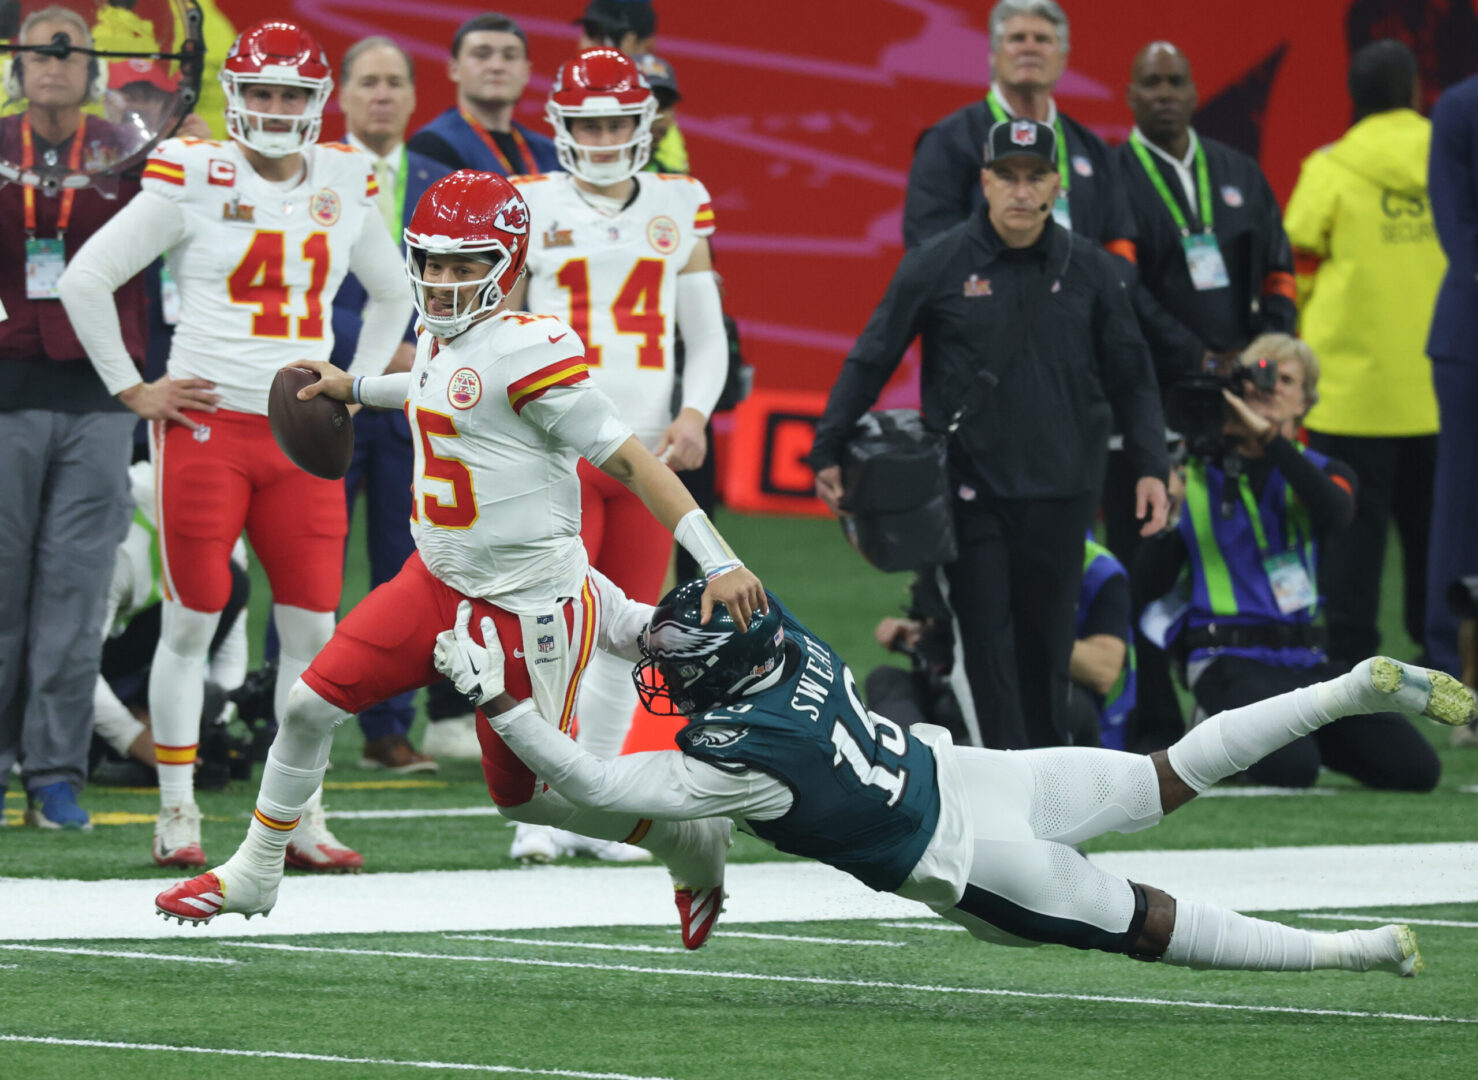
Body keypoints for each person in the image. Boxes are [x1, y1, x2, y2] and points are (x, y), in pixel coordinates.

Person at [154, 170, 766, 948]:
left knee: (533, 803)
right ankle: (257, 867)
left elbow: (634, 464)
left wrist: (717, 561)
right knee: (308, 705)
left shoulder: (530, 348)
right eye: (432, 263)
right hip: (437, 581)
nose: (443, 282)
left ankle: (687, 840)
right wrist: (358, 386)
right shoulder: (454, 344)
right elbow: (436, 387)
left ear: (507, 265)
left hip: (526, 608)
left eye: (464, 265)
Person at [432, 576, 1471, 969]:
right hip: (979, 776)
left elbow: (601, 788)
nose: (663, 675)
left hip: (974, 862)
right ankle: (1345, 690)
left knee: (1149, 924)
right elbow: (713, 608)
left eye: (679, 666)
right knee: (1163, 777)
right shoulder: (783, 635)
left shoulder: (732, 758)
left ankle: (1358, 952)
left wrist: (501, 702)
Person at [59, 19, 410, 868]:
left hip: (299, 439)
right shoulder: (195, 172)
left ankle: (301, 819)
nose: (278, 108)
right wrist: (131, 387)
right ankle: (177, 813)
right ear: (237, 97)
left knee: (313, 632)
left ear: (316, 101)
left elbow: (395, 296)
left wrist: (354, 390)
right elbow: (85, 277)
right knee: (192, 621)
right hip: (206, 426)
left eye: (293, 94)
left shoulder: (345, 175)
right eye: (262, 92)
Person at [810, 118, 1169, 751]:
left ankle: (1043, 790)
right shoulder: (939, 261)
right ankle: (1012, 787)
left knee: (1047, 648)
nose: (1021, 191)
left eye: (1035, 177)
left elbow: (1135, 379)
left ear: (1057, 185)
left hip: (1064, 494)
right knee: (985, 648)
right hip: (969, 494)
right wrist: (828, 446)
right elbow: (873, 355)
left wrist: (1150, 466)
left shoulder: (1092, 270)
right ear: (985, 181)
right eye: (1008, 176)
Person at [506, 48, 729, 861]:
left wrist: (696, 412)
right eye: (588, 121)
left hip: (644, 447)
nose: (601, 137)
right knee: (552, 627)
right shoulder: (531, 202)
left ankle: (599, 796)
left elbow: (704, 334)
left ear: (646, 123)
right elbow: (503, 332)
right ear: (562, 126)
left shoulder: (680, 200)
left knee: (629, 630)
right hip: (555, 451)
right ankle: (541, 806)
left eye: (615, 120)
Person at [1134, 335, 1441, 791]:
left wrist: (1267, 438)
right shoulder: (1193, 473)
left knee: (1415, 769)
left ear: (1307, 401)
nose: (1269, 385)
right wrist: (1169, 518)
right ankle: (1216, 723)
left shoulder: (1325, 469)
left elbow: (1335, 513)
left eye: (1286, 379)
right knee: (1293, 769)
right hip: (1227, 657)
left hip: (1308, 662)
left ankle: (1286, 741)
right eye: (1258, 373)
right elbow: (1145, 584)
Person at [1113, 40, 1298, 750]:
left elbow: (1279, 270)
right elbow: (1123, 287)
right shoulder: (1114, 175)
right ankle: (1153, 718)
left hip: (1238, 405)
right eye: (1150, 82)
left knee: (1229, 553)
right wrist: (1199, 355)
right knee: (1149, 554)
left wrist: (1264, 353)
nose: (1164, 93)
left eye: (1176, 82)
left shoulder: (1239, 172)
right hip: (1151, 399)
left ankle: (1241, 695)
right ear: (1131, 95)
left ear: (1194, 92)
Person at [0, 5, 153, 831]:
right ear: (15, 64)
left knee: (76, 596)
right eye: (37, 51)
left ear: (92, 65)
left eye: (69, 50)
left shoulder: (131, 150)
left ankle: (55, 776)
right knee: (2, 595)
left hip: (101, 397)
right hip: (3, 394)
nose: (52, 62)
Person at [1284, 39, 1443, 673]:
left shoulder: (1331, 166)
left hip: (1352, 389)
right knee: (1439, 538)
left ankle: (1350, 671)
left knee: (1352, 540)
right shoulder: (1454, 153)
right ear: (1414, 92)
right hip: (1441, 388)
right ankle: (1447, 664)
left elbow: (1297, 245)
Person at [333, 34, 453, 771]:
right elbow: (303, 289)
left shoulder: (440, 181)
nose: (381, 94)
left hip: (415, 410)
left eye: (394, 83)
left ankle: (387, 726)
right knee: (311, 572)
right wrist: (384, 352)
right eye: (367, 82)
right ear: (342, 96)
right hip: (334, 399)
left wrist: (425, 358)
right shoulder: (312, 177)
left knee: (406, 566)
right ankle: (289, 710)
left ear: (413, 97)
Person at [903, 0, 1135, 258]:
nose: (1030, 47)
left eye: (1042, 39)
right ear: (994, 54)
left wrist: (1085, 294)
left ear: (1062, 58)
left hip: (1081, 297)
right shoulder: (947, 142)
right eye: (1017, 38)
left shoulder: (1094, 150)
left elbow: (1119, 247)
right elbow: (928, 246)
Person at [1420, 69, 1478, 681]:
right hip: (1471, 336)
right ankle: (1449, 659)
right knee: (1462, 501)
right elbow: (1457, 229)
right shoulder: (1461, 107)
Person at [404, 14, 559, 178]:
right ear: (453, 68)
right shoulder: (430, 148)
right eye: (482, 55)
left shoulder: (550, 153)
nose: (497, 66)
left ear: (527, 71)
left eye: (510, 56)